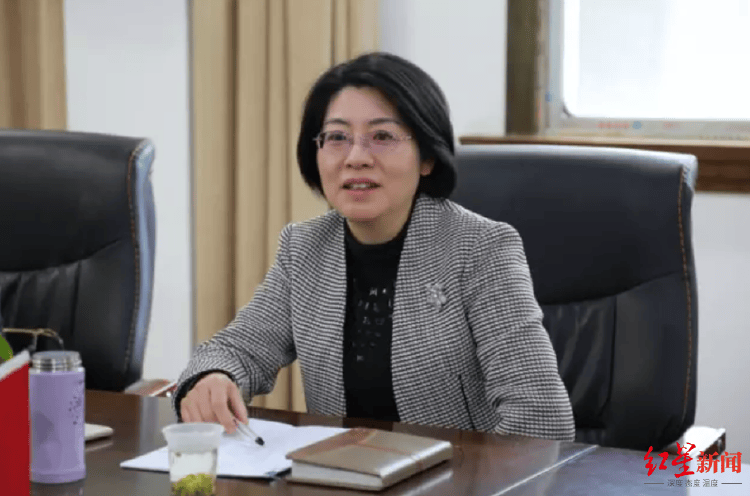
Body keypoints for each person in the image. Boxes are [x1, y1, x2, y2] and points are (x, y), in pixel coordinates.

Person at [174, 52, 575, 441]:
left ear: (427, 157)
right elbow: (237, 349)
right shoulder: (305, 248)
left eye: (382, 136)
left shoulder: (480, 249)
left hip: (458, 476)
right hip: (341, 473)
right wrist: (213, 377)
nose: (356, 157)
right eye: (337, 137)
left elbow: (541, 417)